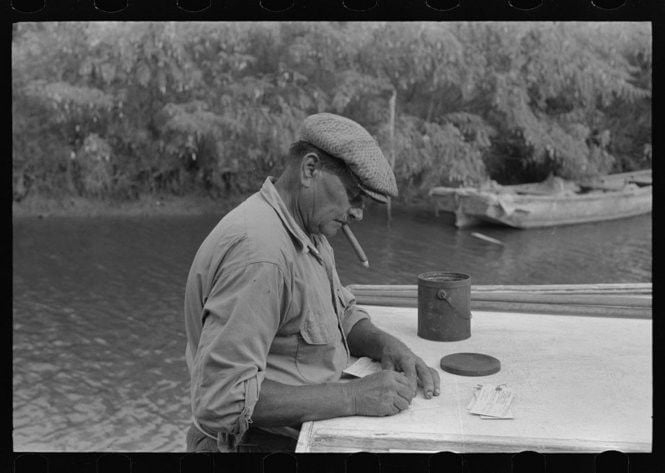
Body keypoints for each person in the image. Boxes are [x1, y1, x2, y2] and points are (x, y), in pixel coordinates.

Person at [184, 113, 441, 452]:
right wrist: (353, 396)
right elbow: (224, 400)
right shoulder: (260, 255)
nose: (359, 213)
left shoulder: (307, 228)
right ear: (309, 170)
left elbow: (340, 314)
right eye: (353, 196)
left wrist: (385, 344)